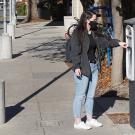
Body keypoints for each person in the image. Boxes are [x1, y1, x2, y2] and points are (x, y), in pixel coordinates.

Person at [70, 11, 127, 130]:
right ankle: (77, 121)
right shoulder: (78, 33)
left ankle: (90, 119)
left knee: (90, 95)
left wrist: (118, 43)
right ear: (87, 20)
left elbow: (105, 41)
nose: (96, 21)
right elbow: (74, 51)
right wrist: (76, 67)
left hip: (94, 67)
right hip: (83, 68)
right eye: (94, 19)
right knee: (80, 96)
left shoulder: (93, 32)